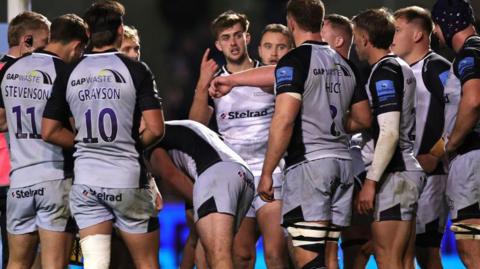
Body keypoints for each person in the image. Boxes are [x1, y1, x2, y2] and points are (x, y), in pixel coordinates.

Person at [40, 1, 165, 268]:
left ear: (88, 33)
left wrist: (86, 145)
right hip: (127, 180)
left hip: (87, 183)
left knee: (96, 264)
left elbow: (49, 130)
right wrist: (129, 144)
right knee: (146, 262)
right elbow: (155, 128)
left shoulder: (69, 71)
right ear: (120, 30)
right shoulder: (136, 70)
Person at [251, 0, 371, 268]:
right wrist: (334, 121)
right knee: (330, 257)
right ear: (321, 20)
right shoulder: (345, 64)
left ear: (291, 22)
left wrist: (268, 172)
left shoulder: (293, 61)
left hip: (310, 168)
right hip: (342, 165)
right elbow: (363, 118)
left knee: (308, 260)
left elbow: (283, 120)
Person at [189, 10, 288, 269]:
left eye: (237, 36)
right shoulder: (214, 83)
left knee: (276, 254)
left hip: (271, 173)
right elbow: (197, 126)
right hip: (237, 178)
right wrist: (201, 86)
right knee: (242, 256)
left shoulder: (268, 73)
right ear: (218, 44)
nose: (232, 43)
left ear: (247, 37)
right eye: (226, 38)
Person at [0, 14, 88, 269]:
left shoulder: (11, 71)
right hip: (54, 179)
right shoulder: (64, 72)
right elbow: (71, 127)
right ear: (76, 46)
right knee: (54, 264)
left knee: (16, 263)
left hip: (18, 182)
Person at [352, 8, 425, 269]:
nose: (354, 43)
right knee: (404, 261)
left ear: (364, 38)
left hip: (394, 175)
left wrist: (370, 182)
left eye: (355, 37)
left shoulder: (384, 72)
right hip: (404, 172)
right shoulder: (399, 66)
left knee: (388, 259)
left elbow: (390, 131)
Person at [145, 120, 254, 269]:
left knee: (218, 256)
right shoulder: (182, 133)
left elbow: (169, 174)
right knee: (203, 258)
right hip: (243, 177)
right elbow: (193, 239)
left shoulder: (152, 141)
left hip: (217, 177)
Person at [391, 6, 451, 269]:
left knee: (426, 251)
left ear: (417, 35)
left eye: (397, 30)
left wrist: (437, 153)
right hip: (407, 177)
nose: (390, 35)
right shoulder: (398, 70)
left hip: (432, 177)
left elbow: (466, 112)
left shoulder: (436, 67)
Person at [431, 0, 480, 267]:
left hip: (472, 157)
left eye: (437, 25)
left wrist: (451, 143)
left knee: (471, 251)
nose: (436, 33)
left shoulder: (469, 52)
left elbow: (473, 100)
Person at [0, 12, 50, 268]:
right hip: (17, 174)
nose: (49, 49)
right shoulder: (30, 74)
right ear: (27, 40)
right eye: (45, 41)